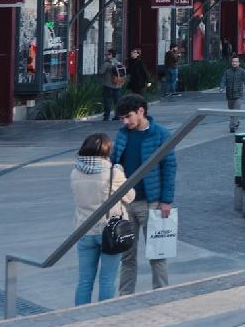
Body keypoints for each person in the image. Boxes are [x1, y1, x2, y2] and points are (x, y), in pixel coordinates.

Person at [110, 95, 176, 295]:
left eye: (128, 117)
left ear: (141, 111)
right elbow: (113, 164)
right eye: (122, 118)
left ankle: (161, 294)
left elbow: (169, 167)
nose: (125, 122)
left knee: (157, 254)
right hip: (125, 204)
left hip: (152, 203)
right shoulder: (122, 135)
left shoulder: (161, 134)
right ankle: (125, 297)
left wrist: (166, 201)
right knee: (127, 256)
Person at [72, 132, 135, 305]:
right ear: (106, 151)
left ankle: (79, 316)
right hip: (109, 231)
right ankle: (103, 316)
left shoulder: (75, 172)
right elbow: (130, 196)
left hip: (83, 230)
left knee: (84, 281)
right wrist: (121, 173)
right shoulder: (113, 174)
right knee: (107, 280)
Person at [222, 56, 245, 133]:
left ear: (239, 63)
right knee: (231, 111)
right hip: (229, 95)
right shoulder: (227, 72)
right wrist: (221, 87)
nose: (234, 63)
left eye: (236, 62)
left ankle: (232, 126)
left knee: (235, 111)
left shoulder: (242, 72)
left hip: (238, 95)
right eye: (233, 62)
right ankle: (236, 122)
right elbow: (223, 80)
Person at [101, 49, 127, 121]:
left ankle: (106, 116)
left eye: (108, 54)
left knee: (107, 101)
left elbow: (101, 71)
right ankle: (117, 116)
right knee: (117, 101)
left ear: (111, 55)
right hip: (117, 85)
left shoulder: (107, 63)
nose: (106, 55)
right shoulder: (118, 63)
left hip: (108, 85)